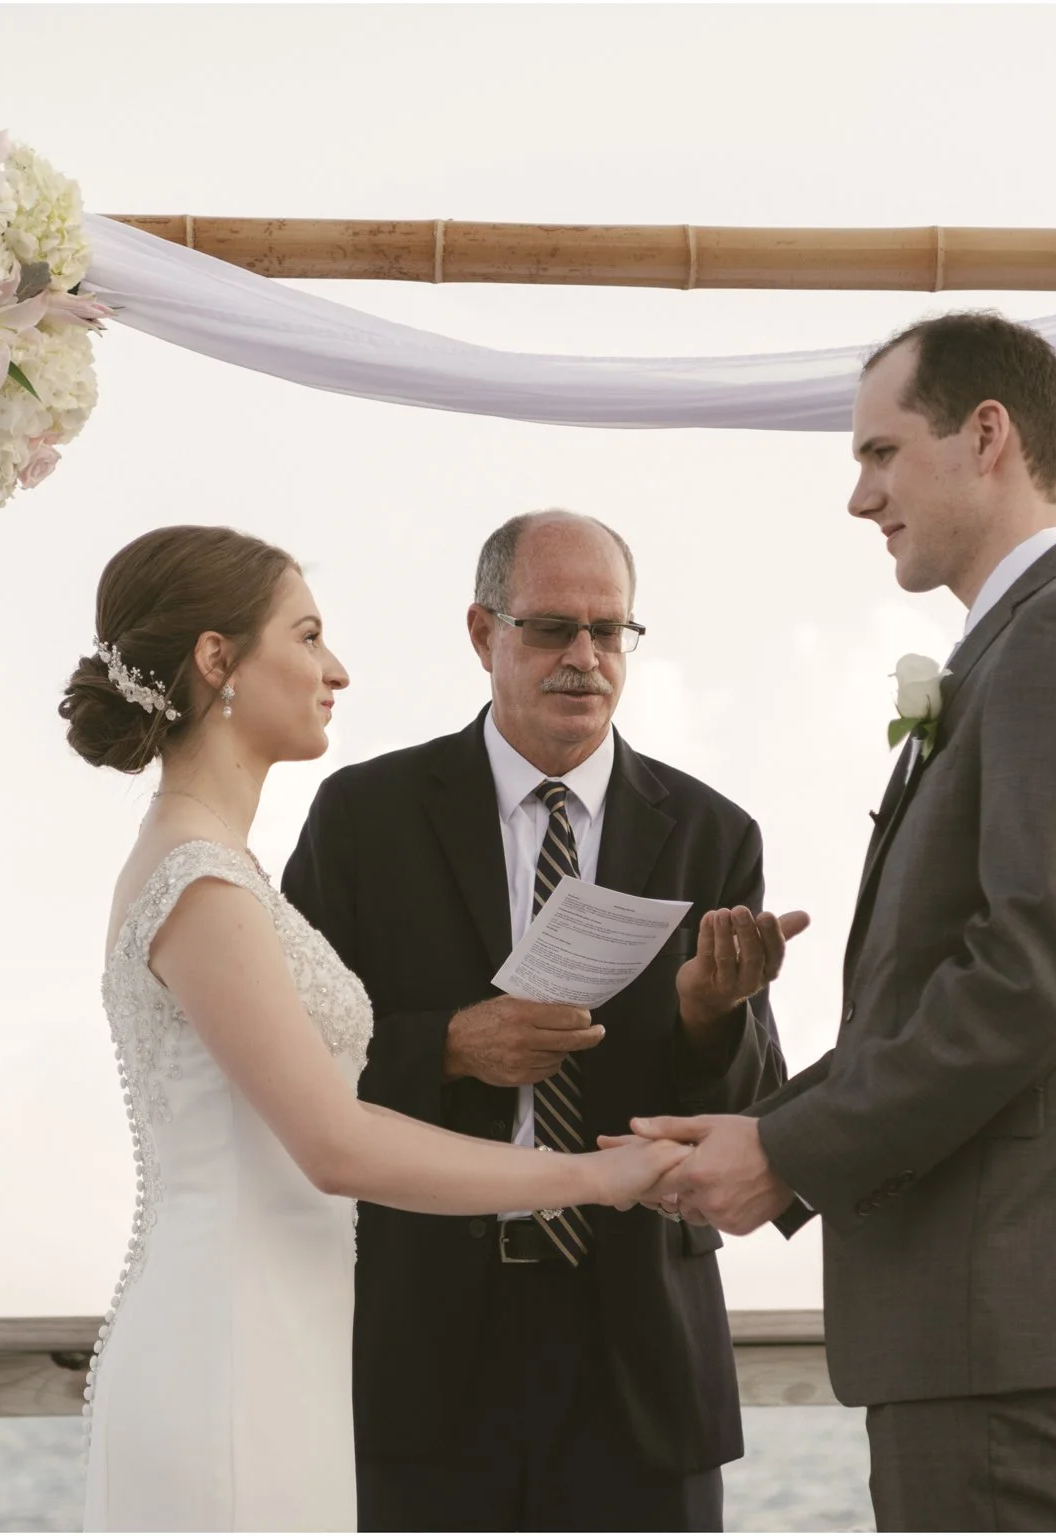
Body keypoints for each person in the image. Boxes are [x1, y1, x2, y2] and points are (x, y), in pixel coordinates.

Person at [633, 313, 1056, 1531]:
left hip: (1005, 1311)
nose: (860, 496)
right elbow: (950, 983)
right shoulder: (1019, 646)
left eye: (881, 453)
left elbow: (1024, 978)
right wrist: (766, 1128)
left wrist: (785, 1154)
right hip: (972, 1318)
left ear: (986, 435)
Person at [61, 524, 688, 1532]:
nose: (336, 669)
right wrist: (593, 1175)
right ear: (218, 661)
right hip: (230, 1349)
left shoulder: (218, 867)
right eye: (306, 637)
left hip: (292, 1340)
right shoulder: (198, 882)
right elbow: (333, 1143)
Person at [281, 510, 808, 1532]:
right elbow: (289, 1063)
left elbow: (751, 1113)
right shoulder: (363, 816)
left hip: (640, 1357)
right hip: (422, 1347)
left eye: (607, 632)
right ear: (483, 634)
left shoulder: (711, 832)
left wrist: (707, 1021)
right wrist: (443, 1046)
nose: (583, 658)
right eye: (550, 629)